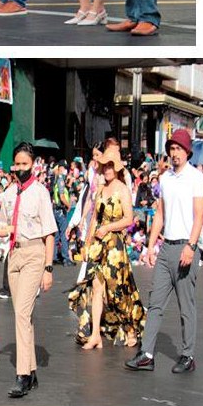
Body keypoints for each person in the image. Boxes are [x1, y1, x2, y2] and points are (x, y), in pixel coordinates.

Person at [127, 128, 203, 374]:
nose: (175, 153)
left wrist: (191, 247)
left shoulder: (196, 178)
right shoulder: (165, 178)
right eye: (172, 149)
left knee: (186, 306)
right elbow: (160, 213)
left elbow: (199, 216)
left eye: (179, 149)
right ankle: (147, 354)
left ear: (187, 152)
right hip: (166, 247)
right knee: (155, 304)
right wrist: (151, 246)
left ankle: (187, 355)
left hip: (185, 246)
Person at [0, 142, 56, 398]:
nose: (21, 168)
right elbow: (6, 227)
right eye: (18, 164)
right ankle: (32, 371)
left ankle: (22, 375)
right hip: (14, 256)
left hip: (35, 254)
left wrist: (48, 267)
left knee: (22, 313)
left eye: (26, 164)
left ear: (33, 164)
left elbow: (49, 233)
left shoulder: (40, 192)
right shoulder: (9, 194)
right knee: (24, 315)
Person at [68, 143, 144, 349]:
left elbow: (129, 219)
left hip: (115, 247)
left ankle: (129, 329)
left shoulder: (122, 190)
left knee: (117, 289)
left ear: (117, 168)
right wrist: (87, 241)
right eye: (105, 165)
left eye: (111, 165)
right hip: (99, 245)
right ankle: (95, 335)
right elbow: (94, 218)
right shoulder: (101, 189)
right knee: (96, 287)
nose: (108, 169)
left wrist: (108, 227)